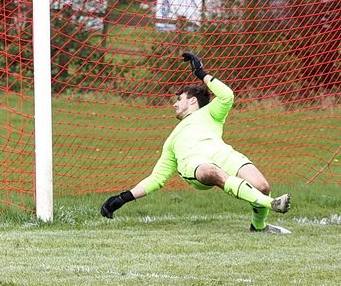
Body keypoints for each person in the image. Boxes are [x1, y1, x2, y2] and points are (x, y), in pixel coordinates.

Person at [100, 52, 292, 233]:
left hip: (221, 153)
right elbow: (157, 179)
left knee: (262, 186)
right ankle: (272, 204)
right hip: (194, 165)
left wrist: (200, 72)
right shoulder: (172, 140)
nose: (174, 104)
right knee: (213, 171)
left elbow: (227, 95)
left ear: (192, 101)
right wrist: (123, 197)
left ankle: (259, 226)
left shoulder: (211, 113)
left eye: (179, 99)